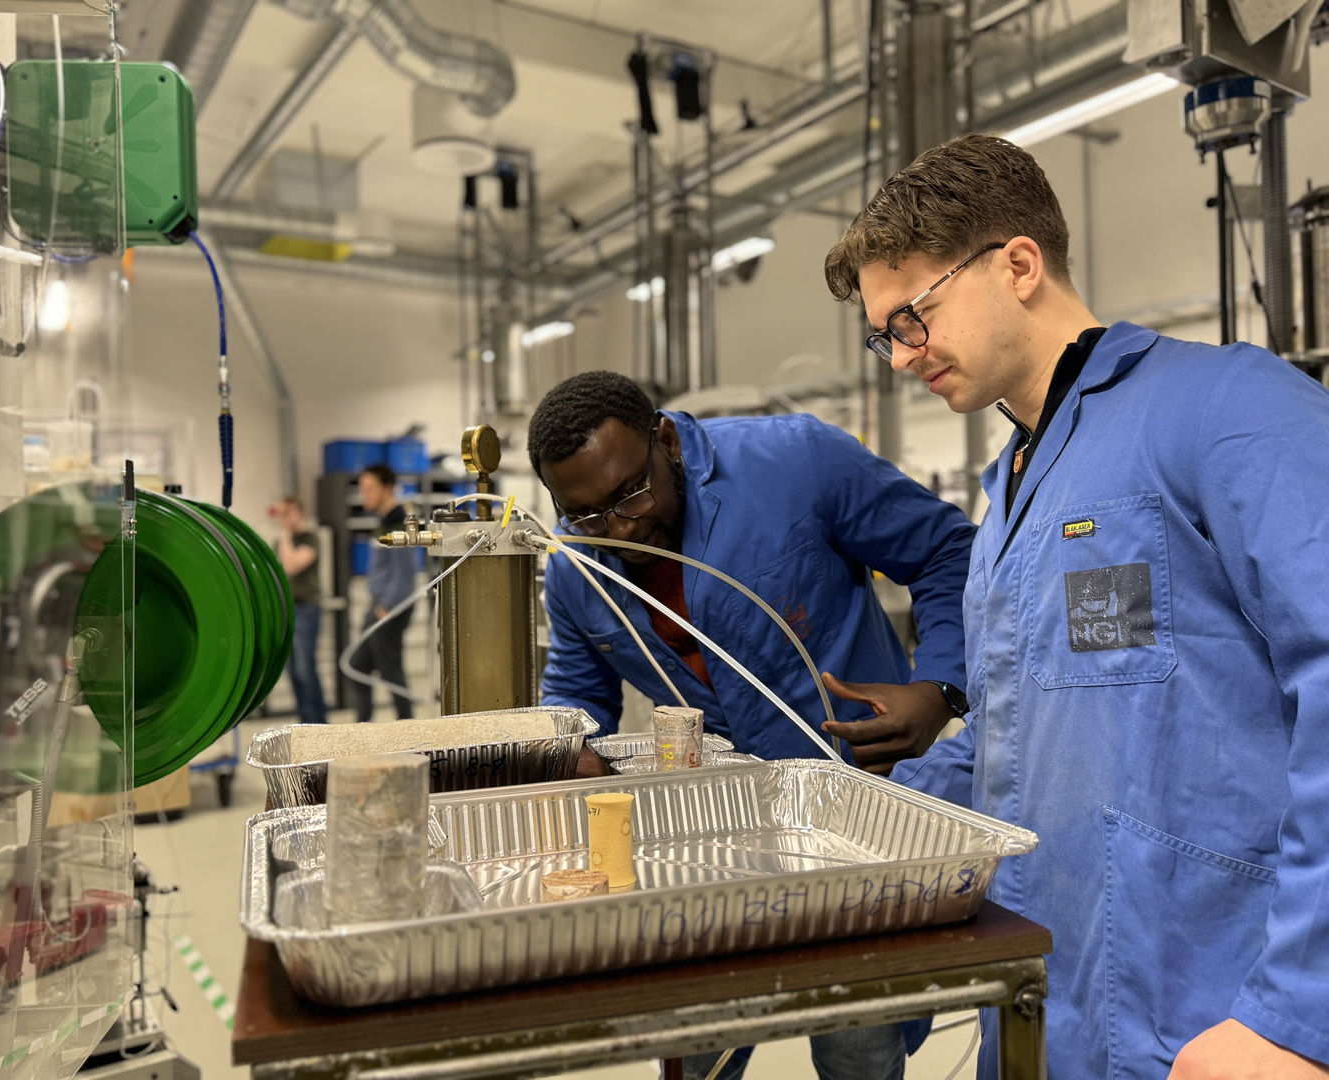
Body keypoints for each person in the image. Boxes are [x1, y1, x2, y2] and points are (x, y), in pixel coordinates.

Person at [823, 132, 1329, 1079]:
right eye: (884, 333)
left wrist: (1302, 1012)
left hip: (1218, 1011)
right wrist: (853, 838)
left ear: (1018, 264)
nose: (900, 356)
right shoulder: (1010, 488)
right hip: (1050, 999)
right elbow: (1010, 734)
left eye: (912, 318)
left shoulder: (1223, 408)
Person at [529, 371, 977, 1080]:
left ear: (665, 441)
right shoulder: (577, 567)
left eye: (631, 493)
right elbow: (579, 699)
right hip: (704, 846)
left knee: (856, 1046)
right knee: (695, 1044)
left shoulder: (796, 463)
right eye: (584, 513)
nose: (619, 527)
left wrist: (940, 686)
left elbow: (950, 553)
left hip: (851, 828)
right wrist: (563, 761)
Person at [351, 464, 417, 722]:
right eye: (362, 489)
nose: (364, 494)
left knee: (390, 672)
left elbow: (405, 575)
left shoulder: (397, 522)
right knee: (359, 666)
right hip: (380, 604)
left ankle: (409, 731)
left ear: (387, 488)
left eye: (370, 488)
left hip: (389, 608)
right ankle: (363, 732)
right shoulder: (382, 522)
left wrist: (385, 607)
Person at [273, 495, 326, 725]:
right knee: (293, 672)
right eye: (281, 513)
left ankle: (319, 726)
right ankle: (306, 725)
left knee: (306, 671)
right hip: (288, 610)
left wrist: (284, 536)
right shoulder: (282, 544)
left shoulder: (310, 539)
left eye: (289, 512)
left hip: (306, 610)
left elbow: (291, 566)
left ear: (300, 513)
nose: (285, 518)